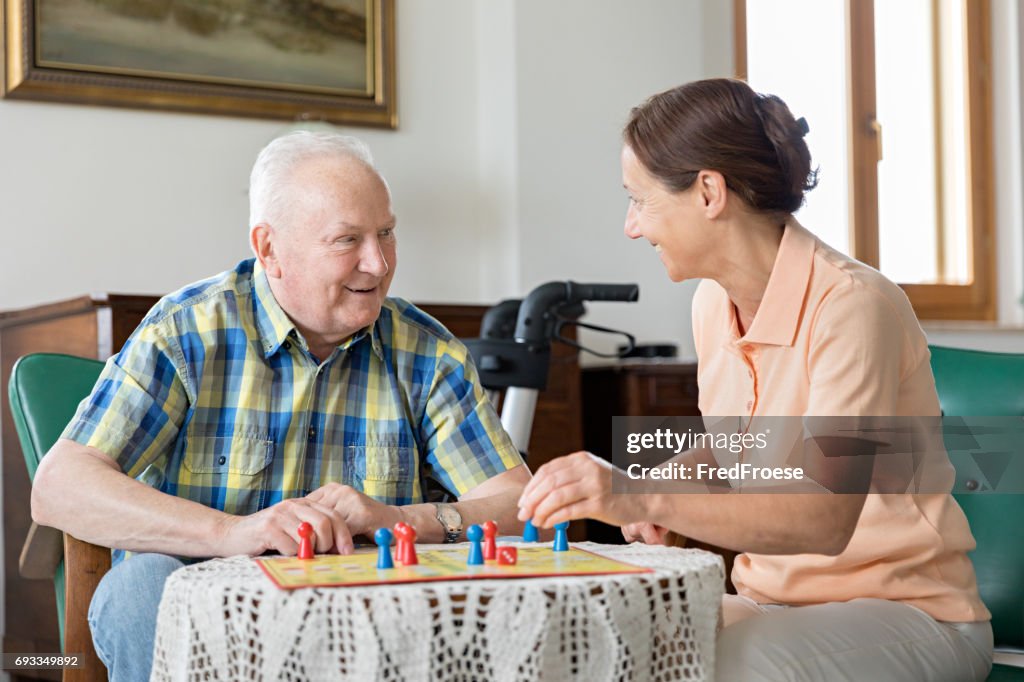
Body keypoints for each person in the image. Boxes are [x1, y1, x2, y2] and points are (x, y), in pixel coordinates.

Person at [516, 79, 993, 681]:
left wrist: (639, 494)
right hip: (772, 602)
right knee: (597, 646)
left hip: (912, 614)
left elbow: (824, 516)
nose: (632, 226)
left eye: (640, 200)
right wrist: (666, 481)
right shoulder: (713, 304)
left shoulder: (852, 305)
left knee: (719, 667)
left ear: (709, 192)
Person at [31, 131, 531, 680]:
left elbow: (514, 500)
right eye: (347, 240)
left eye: (386, 233)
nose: (379, 262)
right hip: (203, 616)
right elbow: (60, 486)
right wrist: (231, 533)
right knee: (141, 587)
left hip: (360, 629)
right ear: (269, 249)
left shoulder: (427, 352)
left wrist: (400, 520)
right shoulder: (187, 332)